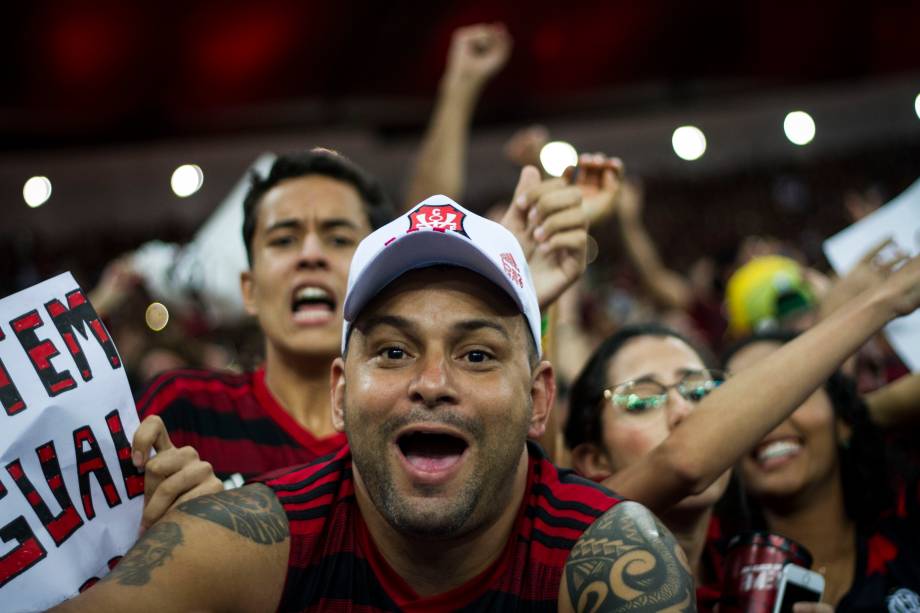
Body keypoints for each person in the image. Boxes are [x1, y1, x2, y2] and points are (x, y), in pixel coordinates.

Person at [54, 197, 694, 612]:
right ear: (339, 392)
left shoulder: (608, 561)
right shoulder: (255, 536)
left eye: (476, 355)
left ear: (538, 398)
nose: (433, 381)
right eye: (392, 351)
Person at [135, 145, 591, 485]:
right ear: (249, 289)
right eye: (283, 239)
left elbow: (529, 488)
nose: (310, 255)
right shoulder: (183, 408)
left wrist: (527, 306)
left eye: (337, 239)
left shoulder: (407, 422)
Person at [563, 251, 920, 610]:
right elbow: (685, 460)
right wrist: (886, 299)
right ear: (593, 460)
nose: (684, 411)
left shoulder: (749, 573)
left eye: (701, 391)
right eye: (642, 399)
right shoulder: (565, 540)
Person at [723, 331, 920, 610]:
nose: (768, 418)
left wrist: (866, 416)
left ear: (842, 419)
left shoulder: (909, 532)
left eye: (793, 392)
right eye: (742, 405)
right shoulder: (710, 585)